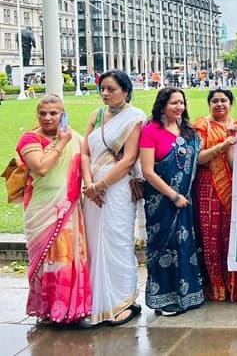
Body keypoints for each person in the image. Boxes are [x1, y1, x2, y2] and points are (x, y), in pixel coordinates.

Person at [16, 94, 91, 325]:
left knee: (68, 258)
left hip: (69, 209)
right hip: (42, 210)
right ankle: (48, 311)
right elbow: (41, 168)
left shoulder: (75, 138)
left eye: (53, 113)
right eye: (43, 113)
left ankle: (73, 310)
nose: (47, 118)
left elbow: (89, 161)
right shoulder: (30, 139)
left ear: (63, 115)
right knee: (47, 260)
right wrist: (60, 143)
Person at [80, 70, 146, 326]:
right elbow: (85, 152)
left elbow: (129, 159)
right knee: (94, 243)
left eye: (111, 89)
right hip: (91, 189)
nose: (105, 94)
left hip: (117, 188)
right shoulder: (95, 115)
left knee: (117, 241)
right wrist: (89, 184)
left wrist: (101, 185)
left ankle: (124, 302)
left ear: (125, 91)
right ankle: (95, 302)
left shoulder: (135, 117)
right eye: (103, 89)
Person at [139, 88, 204, 316]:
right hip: (161, 202)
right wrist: (173, 196)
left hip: (185, 200)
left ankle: (188, 295)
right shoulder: (150, 131)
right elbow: (148, 171)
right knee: (163, 247)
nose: (179, 107)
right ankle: (164, 298)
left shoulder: (188, 132)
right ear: (162, 105)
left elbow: (197, 160)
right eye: (173, 103)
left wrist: (224, 145)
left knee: (184, 245)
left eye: (181, 102)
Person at [193, 89, 237, 303]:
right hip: (209, 185)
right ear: (209, 104)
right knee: (211, 235)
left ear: (231, 103)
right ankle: (216, 286)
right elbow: (197, 158)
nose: (219, 104)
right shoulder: (202, 125)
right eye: (215, 101)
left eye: (224, 100)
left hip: (234, 187)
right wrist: (222, 145)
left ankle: (235, 285)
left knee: (230, 234)